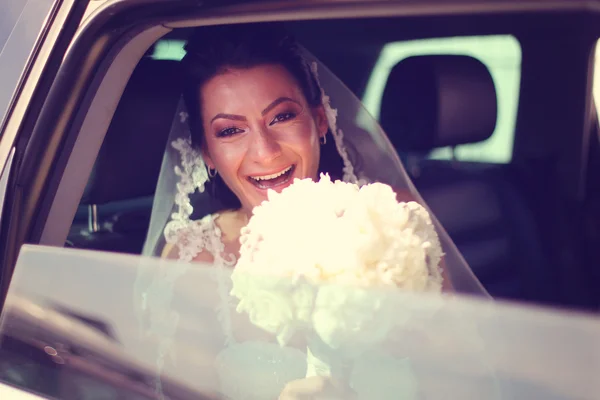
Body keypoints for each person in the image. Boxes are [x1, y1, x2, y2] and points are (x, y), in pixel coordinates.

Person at [138, 23, 489, 400]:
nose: (265, 151)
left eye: (281, 117)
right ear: (207, 152)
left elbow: (462, 378)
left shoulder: (391, 221)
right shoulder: (196, 257)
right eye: (229, 131)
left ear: (319, 120)